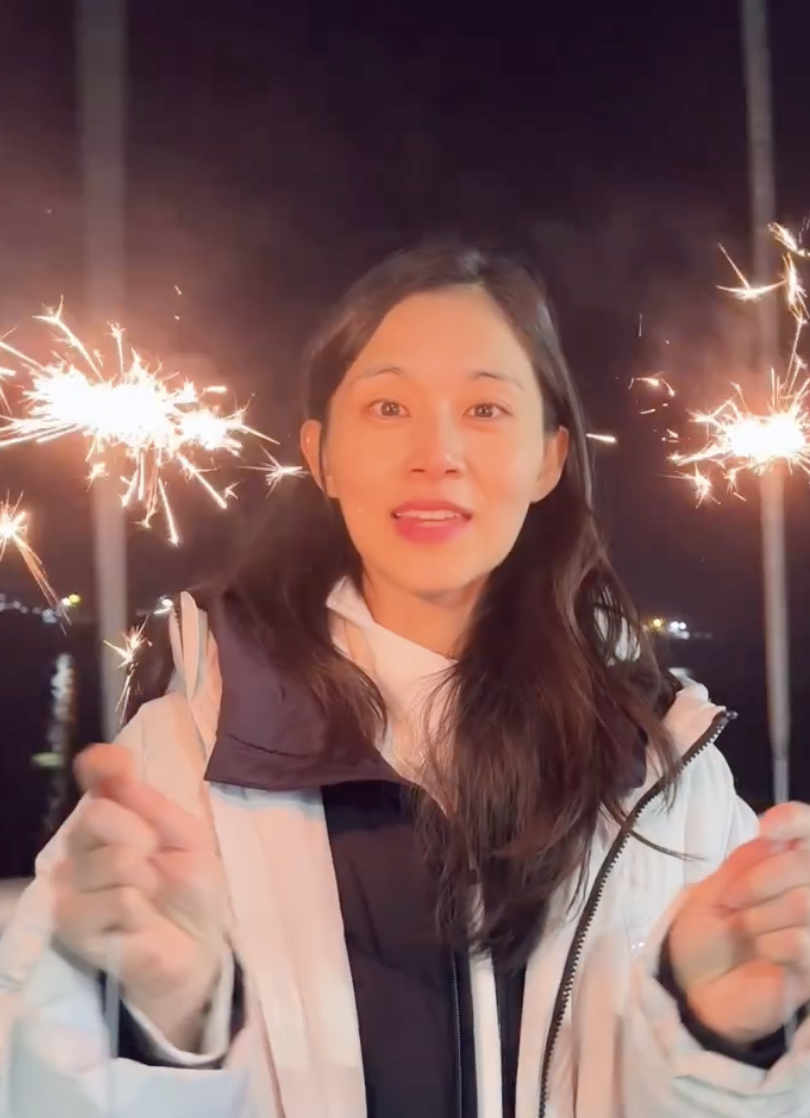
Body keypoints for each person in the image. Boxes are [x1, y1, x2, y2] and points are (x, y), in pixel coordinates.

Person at [1, 244, 809, 1118]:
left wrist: (724, 1042)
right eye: (388, 407)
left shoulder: (666, 776)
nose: (438, 452)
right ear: (321, 456)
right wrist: (163, 1026)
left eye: (486, 409)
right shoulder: (184, 756)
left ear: (549, 460)